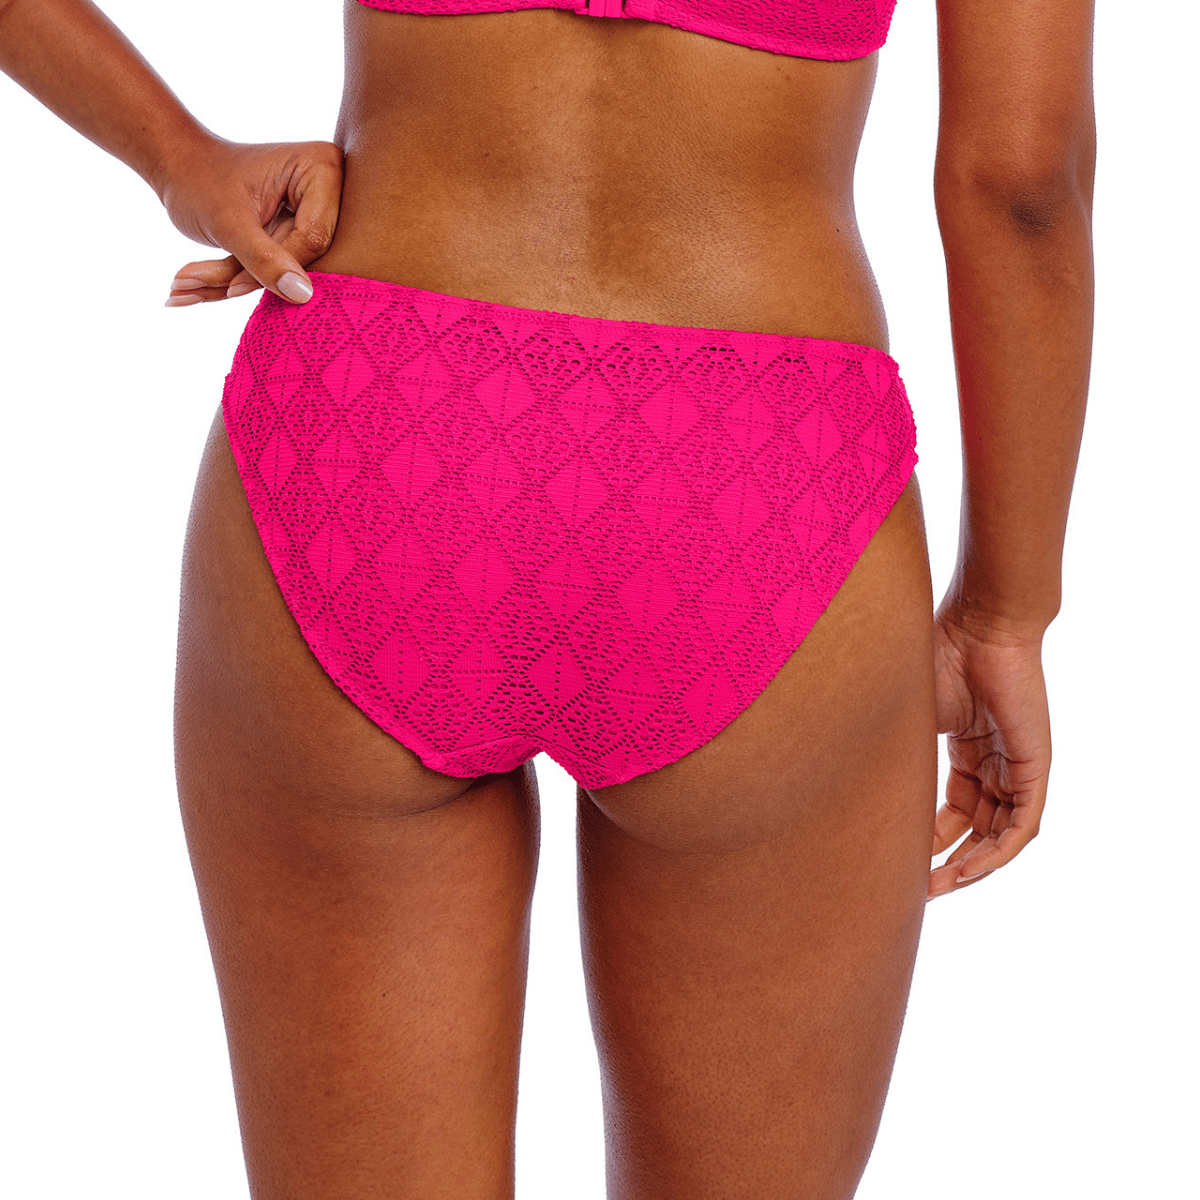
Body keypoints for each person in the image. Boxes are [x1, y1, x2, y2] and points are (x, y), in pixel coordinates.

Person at [0, 0, 1095, 1195]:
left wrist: (180, 159)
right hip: (755, 474)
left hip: (379, 436)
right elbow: (1020, 181)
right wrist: (1005, 610)